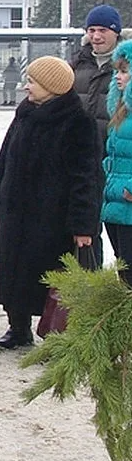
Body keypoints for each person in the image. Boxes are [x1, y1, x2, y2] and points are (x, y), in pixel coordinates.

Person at [0, 56, 102, 350]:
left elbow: (87, 178)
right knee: (12, 271)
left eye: (32, 82)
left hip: (52, 218)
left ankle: (57, 332)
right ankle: (17, 328)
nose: (25, 87)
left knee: (49, 275)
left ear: (52, 87)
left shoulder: (78, 122)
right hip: (16, 211)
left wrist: (83, 226)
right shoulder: (25, 113)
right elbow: (4, 159)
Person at [70, 4, 126, 264]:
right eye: (91, 30)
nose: (96, 36)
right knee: (86, 236)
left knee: (122, 241)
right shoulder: (77, 64)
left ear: (116, 32)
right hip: (83, 162)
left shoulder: (126, 66)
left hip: (116, 161)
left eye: (102, 30)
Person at [101, 40, 132, 284]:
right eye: (117, 71)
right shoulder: (121, 112)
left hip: (128, 200)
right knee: (123, 270)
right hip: (116, 201)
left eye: (124, 71)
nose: (118, 77)